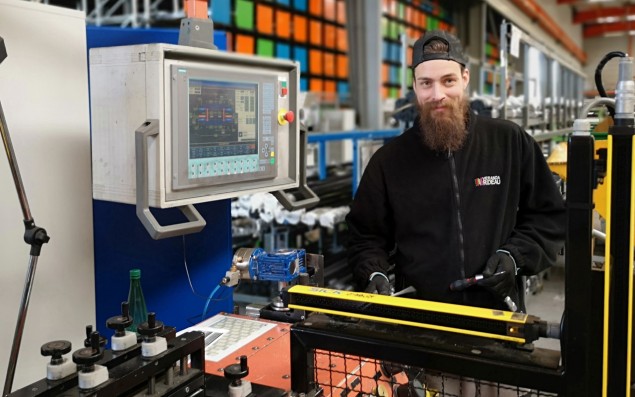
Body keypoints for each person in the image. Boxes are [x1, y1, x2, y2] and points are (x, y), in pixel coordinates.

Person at [346, 29, 566, 314]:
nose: (437, 95)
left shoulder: (509, 142)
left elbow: (547, 217)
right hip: (418, 323)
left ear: (465, 79)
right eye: (426, 83)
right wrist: (373, 273)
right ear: (414, 86)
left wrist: (514, 256)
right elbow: (364, 236)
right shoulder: (388, 161)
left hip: (495, 317)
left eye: (447, 81)